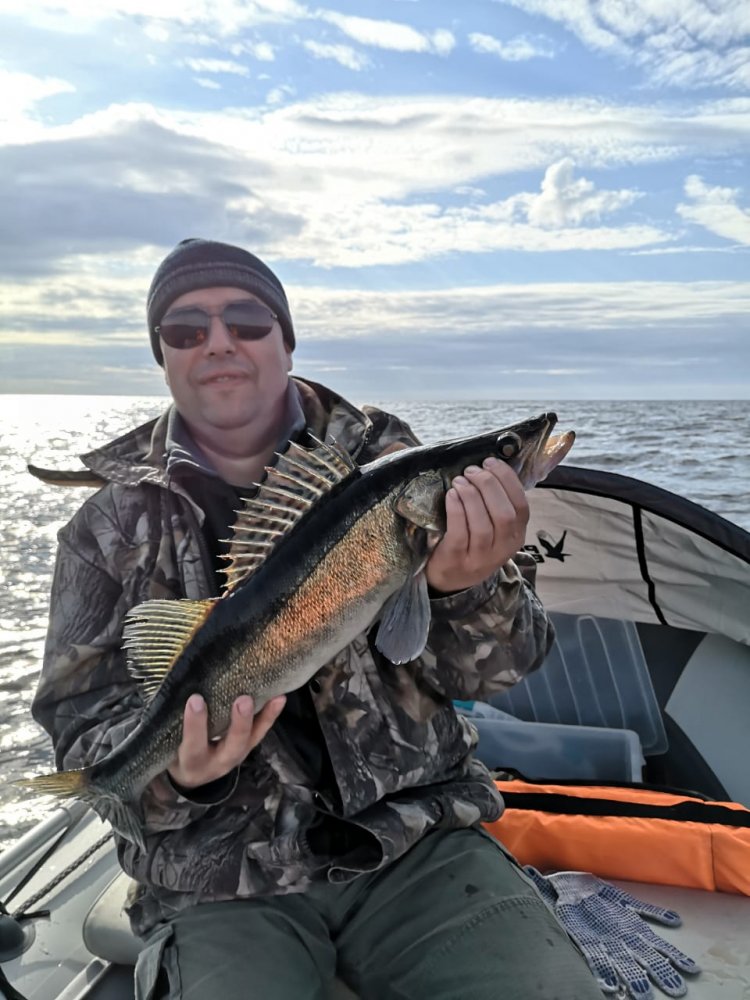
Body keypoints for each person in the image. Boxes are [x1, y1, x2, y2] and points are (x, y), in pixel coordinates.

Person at [31, 238, 604, 1000]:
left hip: (415, 845)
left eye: (246, 320)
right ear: (160, 354)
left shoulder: (386, 461)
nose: (219, 342)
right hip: (218, 880)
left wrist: (461, 589)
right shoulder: (103, 531)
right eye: (186, 329)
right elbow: (80, 720)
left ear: (287, 338)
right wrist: (177, 776)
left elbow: (504, 671)